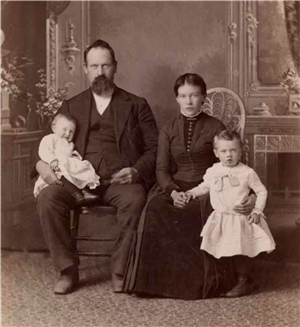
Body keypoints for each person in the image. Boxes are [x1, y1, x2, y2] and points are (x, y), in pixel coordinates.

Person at [34, 39, 158, 295]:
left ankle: (120, 270)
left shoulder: (136, 104)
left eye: (105, 65)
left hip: (119, 180)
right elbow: (45, 143)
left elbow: (155, 149)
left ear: (115, 67)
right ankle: (68, 270)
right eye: (94, 66)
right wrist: (41, 165)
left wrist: (135, 171)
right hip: (75, 180)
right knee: (47, 198)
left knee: (135, 200)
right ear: (85, 69)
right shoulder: (72, 105)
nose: (100, 72)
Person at [123, 73, 256, 300]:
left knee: (200, 212)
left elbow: (232, 163)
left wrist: (246, 193)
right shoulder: (169, 128)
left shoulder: (215, 126)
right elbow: (162, 169)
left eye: (194, 95)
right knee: (155, 208)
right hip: (175, 184)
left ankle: (205, 283)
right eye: (183, 96)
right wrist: (173, 191)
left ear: (203, 97)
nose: (189, 101)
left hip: (210, 184)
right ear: (176, 98)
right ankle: (158, 284)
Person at [186, 130, 276, 297]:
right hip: (221, 217)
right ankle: (227, 280)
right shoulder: (213, 170)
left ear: (241, 151)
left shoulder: (247, 172)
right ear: (216, 153)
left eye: (233, 150)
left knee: (241, 250)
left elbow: (262, 192)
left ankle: (245, 280)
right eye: (224, 151)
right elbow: (204, 187)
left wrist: (257, 210)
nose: (229, 155)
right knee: (222, 248)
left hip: (239, 219)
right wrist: (191, 193)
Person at [33, 113, 100, 205]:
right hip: (56, 166)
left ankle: (85, 191)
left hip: (67, 164)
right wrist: (52, 160)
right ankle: (76, 194)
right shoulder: (51, 138)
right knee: (64, 175)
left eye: (71, 131)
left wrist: (76, 158)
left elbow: (70, 154)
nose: (68, 134)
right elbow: (44, 150)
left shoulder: (70, 144)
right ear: (54, 128)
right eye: (64, 129)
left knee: (81, 172)